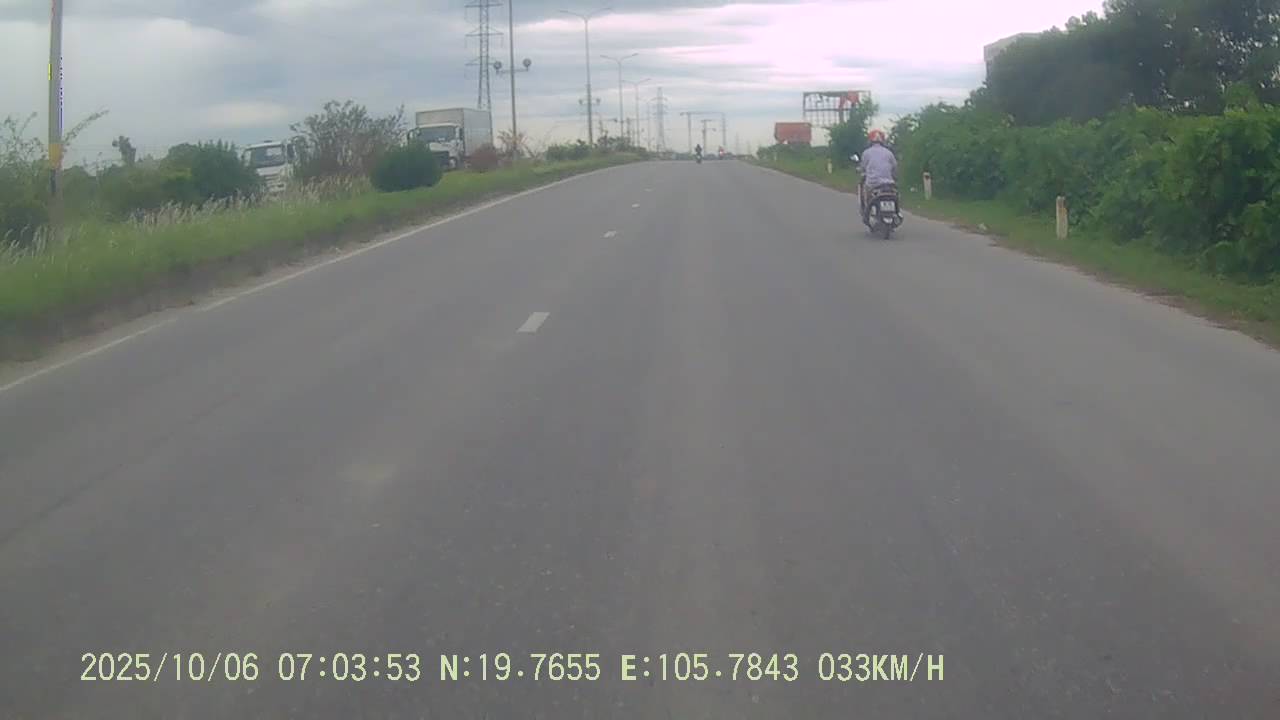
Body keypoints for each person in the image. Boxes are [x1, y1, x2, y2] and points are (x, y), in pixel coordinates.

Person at [858, 129, 898, 222]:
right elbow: (895, 167)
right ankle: (897, 212)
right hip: (889, 183)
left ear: (870, 141)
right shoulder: (889, 153)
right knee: (896, 195)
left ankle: (866, 211)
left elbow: (863, 167)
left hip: (873, 183)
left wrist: (861, 171)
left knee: (866, 195)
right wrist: (894, 176)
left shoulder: (866, 153)